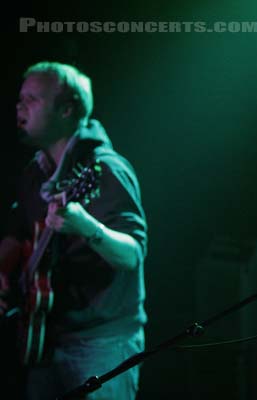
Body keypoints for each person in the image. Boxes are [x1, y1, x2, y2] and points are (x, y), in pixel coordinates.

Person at [0, 62, 147, 399]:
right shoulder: (35, 170)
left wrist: (87, 226)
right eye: (20, 98)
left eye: (33, 99)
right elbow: (16, 230)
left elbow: (133, 253)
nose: (19, 106)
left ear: (66, 109)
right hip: (45, 335)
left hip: (100, 343)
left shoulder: (105, 169)